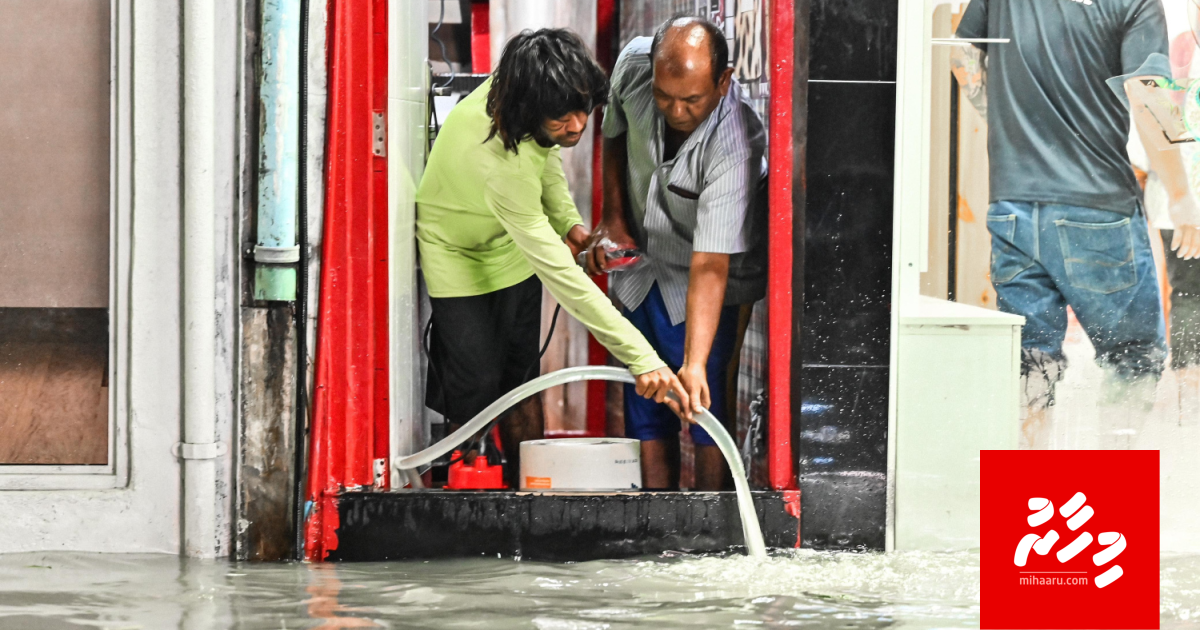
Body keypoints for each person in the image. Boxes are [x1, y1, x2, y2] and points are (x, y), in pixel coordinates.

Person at [415, 28, 689, 486]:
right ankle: (467, 496)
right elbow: (567, 281)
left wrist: (569, 224)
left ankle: (531, 493)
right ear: (530, 108)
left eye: (583, 110)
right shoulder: (497, 165)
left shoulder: (522, 90)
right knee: (476, 384)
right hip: (454, 251)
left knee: (522, 380)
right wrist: (643, 359)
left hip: (507, 244)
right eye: (564, 117)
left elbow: (544, 157)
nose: (579, 125)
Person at [954, 0, 1200, 449]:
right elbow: (1149, 96)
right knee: (1133, 358)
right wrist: (1183, 197)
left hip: (1012, 205)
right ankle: (1109, 492)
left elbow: (962, 54)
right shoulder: (1137, 2)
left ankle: (1030, 489)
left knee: (1031, 360)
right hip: (1097, 206)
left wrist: (1000, 120)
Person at [591, 17, 766, 489]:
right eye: (664, 96)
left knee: (702, 397)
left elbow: (711, 263)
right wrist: (614, 218)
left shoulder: (736, 144)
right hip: (644, 263)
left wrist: (693, 361)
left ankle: (709, 528)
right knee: (645, 395)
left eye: (691, 100)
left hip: (708, 276)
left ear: (723, 81)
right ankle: (655, 524)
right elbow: (613, 132)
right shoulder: (632, 64)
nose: (675, 111)